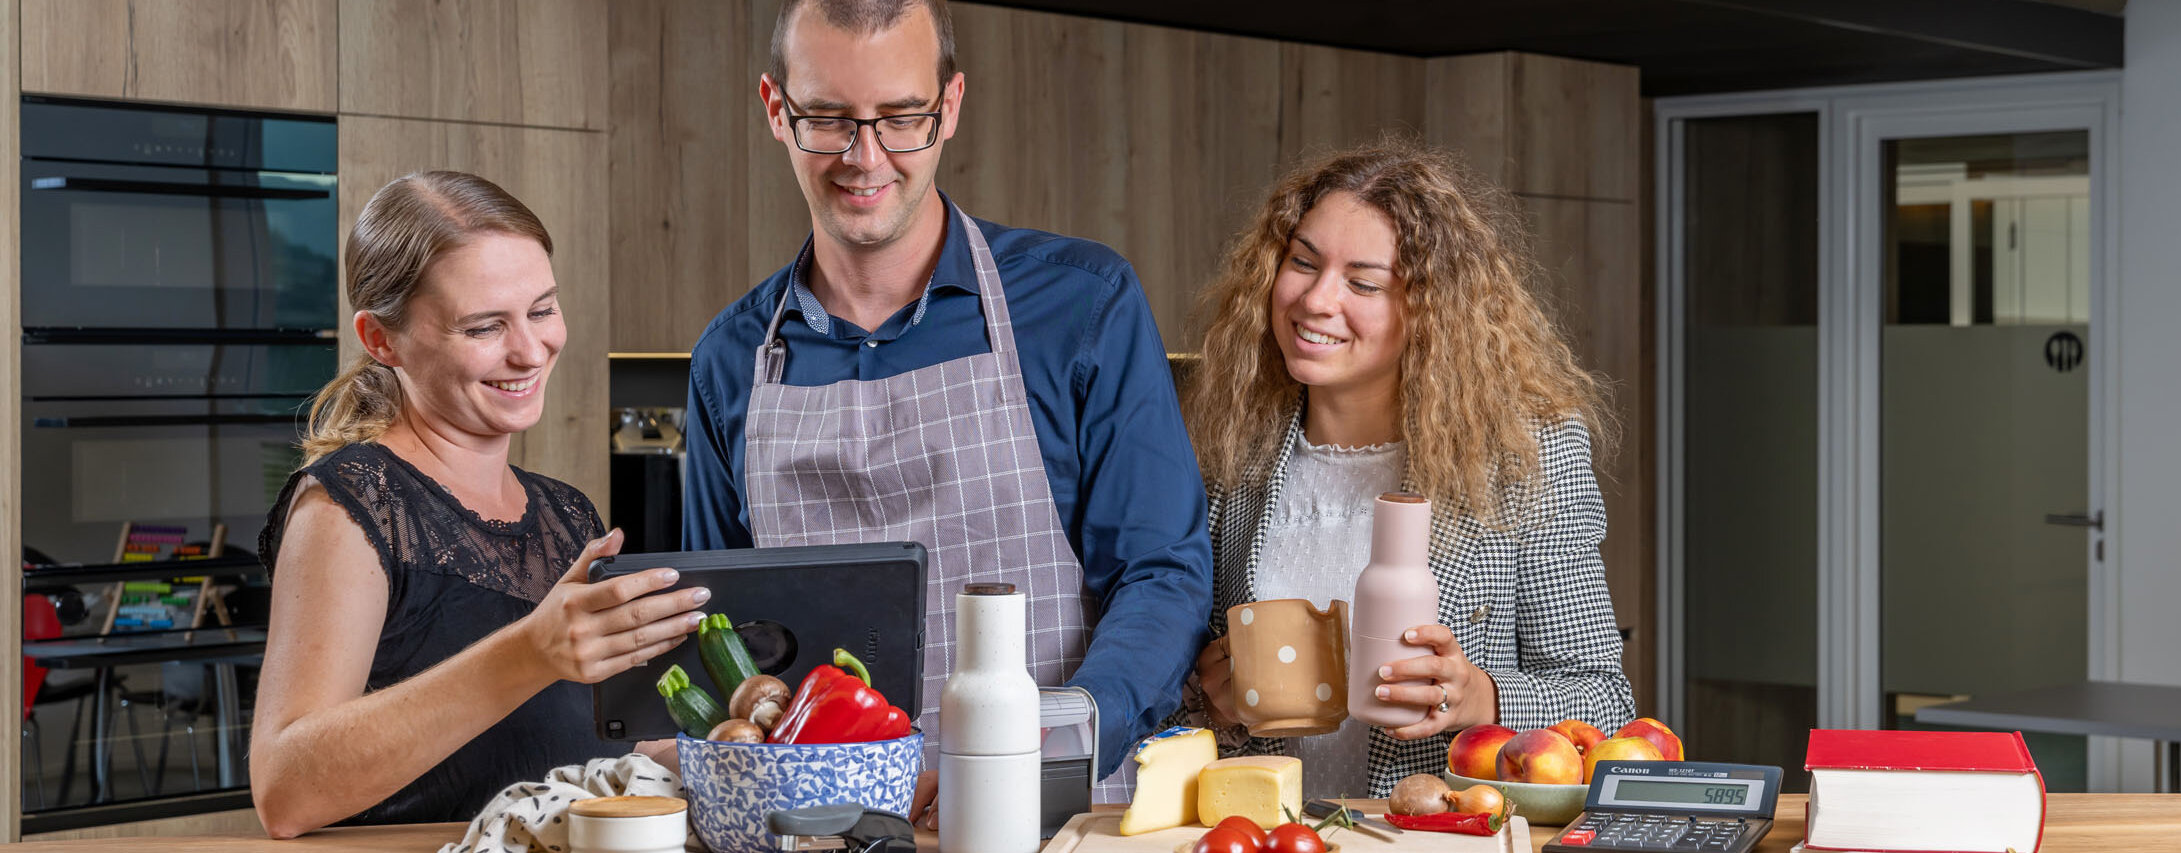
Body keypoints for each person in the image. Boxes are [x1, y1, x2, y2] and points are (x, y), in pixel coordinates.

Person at [681, 0, 1211, 814]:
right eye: (828, 118)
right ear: (775, 110)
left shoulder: (1079, 305)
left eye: (902, 118)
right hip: (817, 828)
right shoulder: (729, 359)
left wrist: (1044, 741)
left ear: (951, 106)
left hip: (1050, 814)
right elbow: (724, 638)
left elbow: (1161, 574)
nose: (866, 156)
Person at [252, 172, 705, 835]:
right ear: (382, 339)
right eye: (485, 325)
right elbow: (285, 787)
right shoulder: (352, 505)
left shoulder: (565, 514)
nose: (529, 349)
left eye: (542, 309)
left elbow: (593, 753)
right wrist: (529, 652)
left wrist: (735, 751)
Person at [1183, 139, 1638, 798]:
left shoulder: (1524, 458)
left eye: (1362, 282)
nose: (1314, 300)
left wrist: (1480, 696)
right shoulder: (1225, 450)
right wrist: (1211, 702)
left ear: (1432, 311)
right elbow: (1168, 696)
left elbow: (1603, 699)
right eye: (1302, 262)